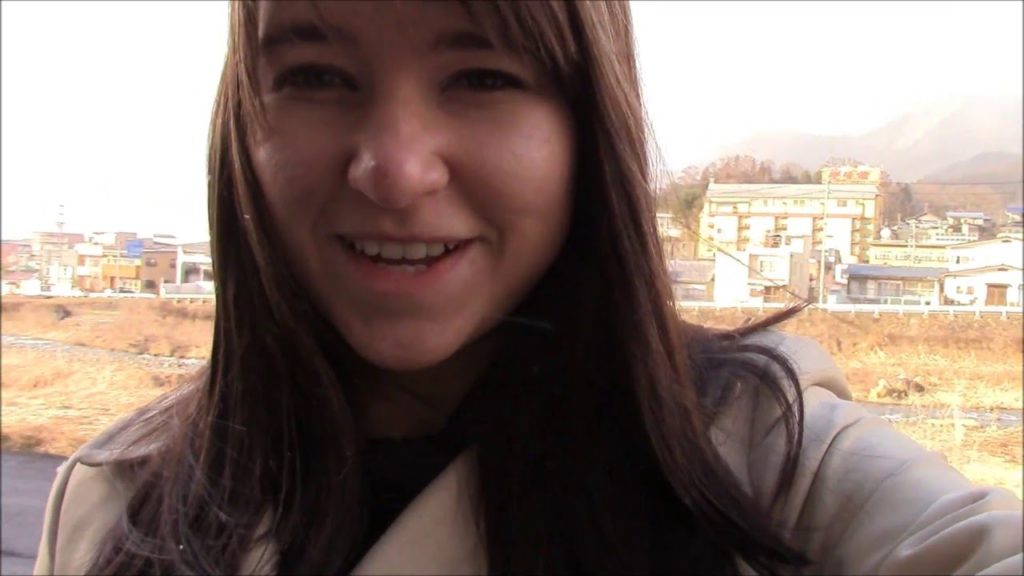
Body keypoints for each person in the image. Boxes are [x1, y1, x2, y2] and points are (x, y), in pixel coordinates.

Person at [34, 2, 1022, 575]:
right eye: (317, 77)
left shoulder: (766, 474)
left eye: (481, 77)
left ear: (588, 124)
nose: (394, 169)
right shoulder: (115, 505)